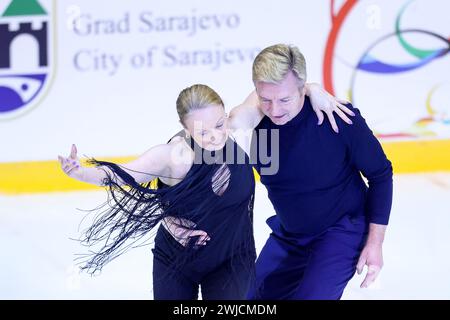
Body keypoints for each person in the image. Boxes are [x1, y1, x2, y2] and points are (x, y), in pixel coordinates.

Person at [58, 82, 351, 300]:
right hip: (176, 261)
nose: (214, 137)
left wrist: (312, 89)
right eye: (202, 132)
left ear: (226, 114)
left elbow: (274, 90)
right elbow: (121, 174)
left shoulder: (237, 127)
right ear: (185, 129)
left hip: (233, 259)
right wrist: (80, 172)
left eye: (219, 124)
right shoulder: (174, 157)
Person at [238, 44, 394, 300]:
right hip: (290, 235)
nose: (275, 110)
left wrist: (375, 243)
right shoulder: (252, 132)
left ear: (303, 89)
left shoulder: (340, 118)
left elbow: (380, 175)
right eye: (266, 99)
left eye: (285, 99)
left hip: (341, 231)